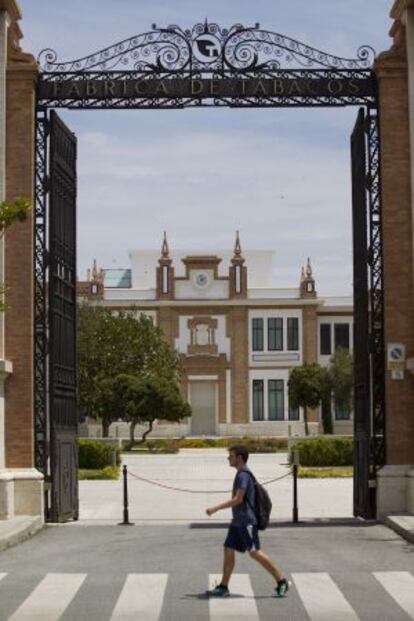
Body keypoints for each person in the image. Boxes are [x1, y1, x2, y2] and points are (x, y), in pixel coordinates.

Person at [205, 444, 290, 598]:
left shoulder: (243, 475)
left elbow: (238, 499)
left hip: (246, 521)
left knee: (254, 552)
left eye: (231, 456)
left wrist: (215, 508)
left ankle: (281, 581)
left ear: (239, 458)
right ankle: (224, 587)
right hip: (237, 521)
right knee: (228, 549)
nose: (228, 458)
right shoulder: (241, 473)